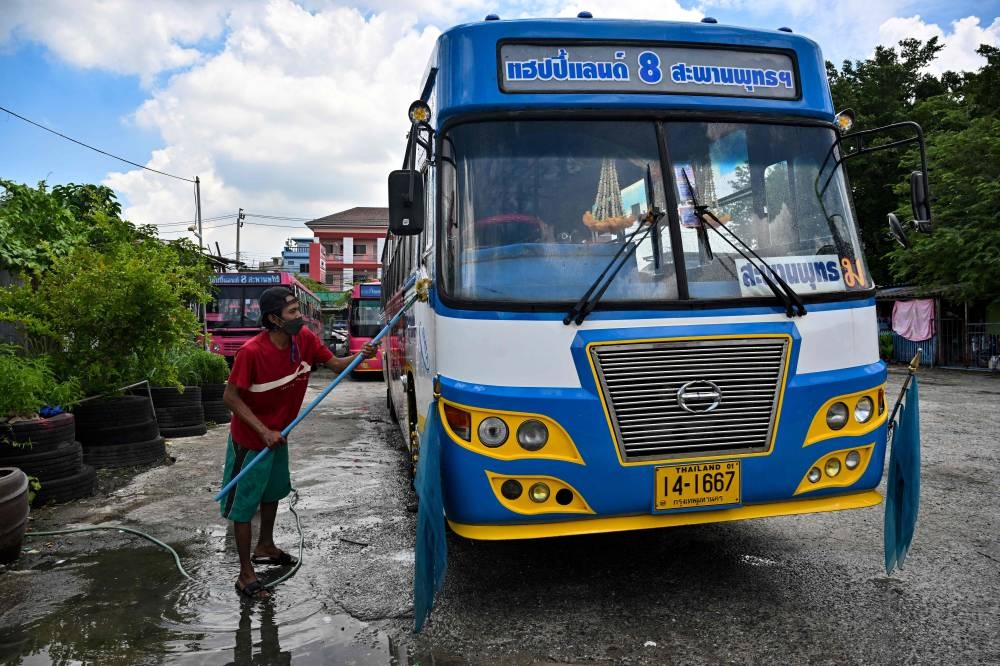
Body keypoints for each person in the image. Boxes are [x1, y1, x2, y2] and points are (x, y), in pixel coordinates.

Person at [221, 285, 378, 600]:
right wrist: (263, 431)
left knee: (273, 493)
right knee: (244, 506)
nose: (300, 316)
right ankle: (245, 575)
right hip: (252, 440)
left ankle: (265, 546)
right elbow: (230, 397)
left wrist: (360, 356)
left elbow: (335, 364)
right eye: (293, 311)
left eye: (298, 309)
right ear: (274, 319)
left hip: (280, 435)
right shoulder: (251, 352)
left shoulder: (304, 340)